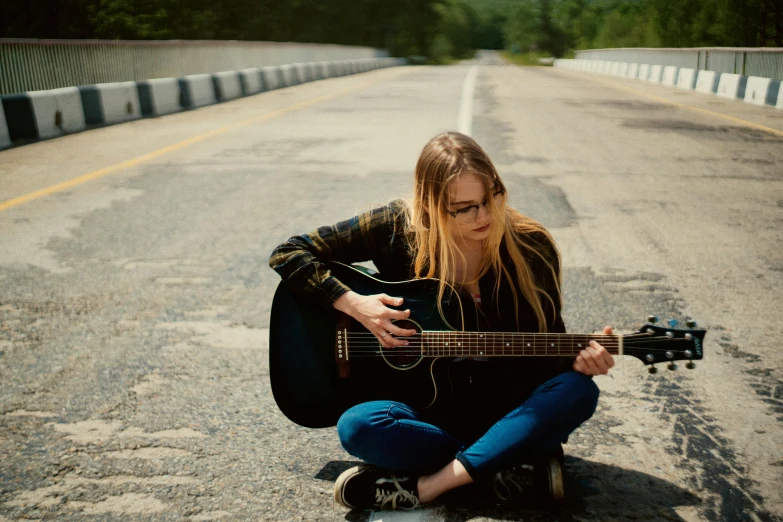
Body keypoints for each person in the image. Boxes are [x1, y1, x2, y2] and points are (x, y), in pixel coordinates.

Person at [268, 132, 615, 511]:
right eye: (464, 208)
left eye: (490, 197)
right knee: (358, 426)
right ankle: (502, 467)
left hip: (505, 412)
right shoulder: (396, 227)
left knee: (577, 391)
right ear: (429, 206)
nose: (483, 216)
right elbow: (288, 253)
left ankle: (431, 486)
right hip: (428, 416)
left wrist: (580, 361)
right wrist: (353, 303)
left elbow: (549, 349)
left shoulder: (530, 247)